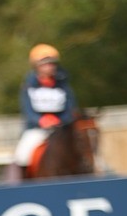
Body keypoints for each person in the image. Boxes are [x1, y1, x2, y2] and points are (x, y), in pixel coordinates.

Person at [9, 44, 78, 178]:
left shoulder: (63, 85)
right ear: (36, 66)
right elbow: (27, 110)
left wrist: (61, 120)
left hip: (62, 128)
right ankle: (22, 183)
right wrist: (41, 120)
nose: (49, 67)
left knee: (84, 148)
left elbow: (71, 107)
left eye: (52, 64)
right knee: (22, 155)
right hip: (37, 129)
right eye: (45, 64)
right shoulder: (28, 85)